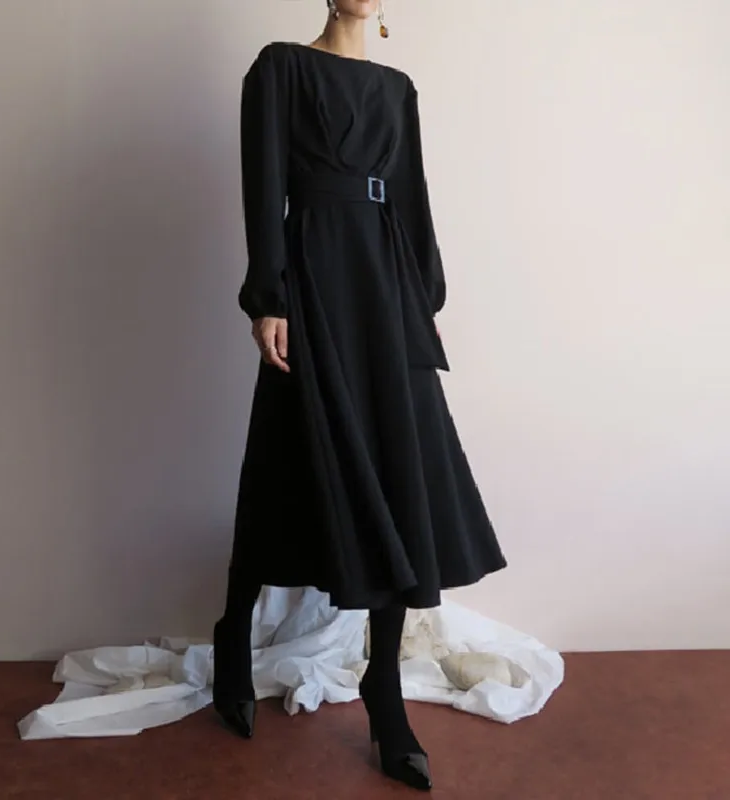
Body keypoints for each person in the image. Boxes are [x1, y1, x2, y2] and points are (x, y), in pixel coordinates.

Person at [212, 0, 507, 790]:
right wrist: (269, 297)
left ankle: (384, 688)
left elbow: (411, 195)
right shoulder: (281, 66)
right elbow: (262, 186)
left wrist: (424, 297)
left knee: (400, 465)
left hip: (386, 286)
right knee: (282, 460)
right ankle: (233, 638)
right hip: (312, 274)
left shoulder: (397, 88)